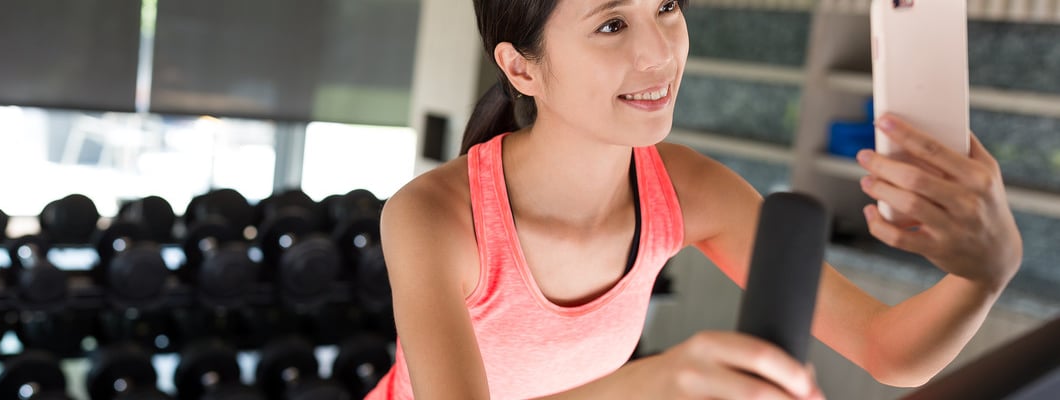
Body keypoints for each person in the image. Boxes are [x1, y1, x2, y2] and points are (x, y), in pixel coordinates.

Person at [366, 0, 1023, 398]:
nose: (659, 53)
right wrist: (650, 386)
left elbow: (888, 351)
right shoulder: (433, 217)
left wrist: (989, 272)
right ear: (520, 67)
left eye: (668, 8)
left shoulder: (684, 188)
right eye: (612, 24)